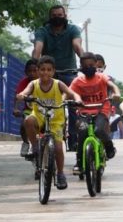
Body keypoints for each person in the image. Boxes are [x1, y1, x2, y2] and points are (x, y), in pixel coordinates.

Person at [16, 55, 83, 189]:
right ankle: (35, 147)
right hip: (39, 117)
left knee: (58, 147)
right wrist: (22, 95)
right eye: (42, 69)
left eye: (48, 70)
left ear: (53, 71)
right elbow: (25, 91)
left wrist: (78, 99)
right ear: (38, 70)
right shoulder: (33, 84)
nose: (45, 72)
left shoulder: (58, 84)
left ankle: (60, 174)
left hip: (55, 121)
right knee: (28, 121)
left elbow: (72, 93)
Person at [32, 5, 84, 150]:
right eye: (54, 15)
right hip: (49, 74)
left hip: (69, 73)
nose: (57, 17)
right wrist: (34, 64)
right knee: (41, 101)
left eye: (60, 14)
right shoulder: (43, 31)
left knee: (73, 103)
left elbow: (77, 45)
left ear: (65, 16)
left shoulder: (73, 29)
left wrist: (85, 61)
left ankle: (73, 137)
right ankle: (42, 131)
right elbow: (38, 48)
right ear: (50, 17)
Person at [70, 52, 119, 176]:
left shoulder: (101, 77)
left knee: (99, 130)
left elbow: (112, 86)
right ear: (81, 66)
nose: (88, 67)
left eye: (91, 65)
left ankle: (109, 147)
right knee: (82, 133)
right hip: (84, 112)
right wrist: (64, 99)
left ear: (96, 64)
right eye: (85, 66)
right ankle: (79, 163)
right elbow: (68, 92)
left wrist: (116, 93)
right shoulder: (78, 81)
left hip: (101, 110)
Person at [13, 58, 39, 158]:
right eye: (29, 71)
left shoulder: (44, 81)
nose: (32, 74)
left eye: (35, 71)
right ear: (26, 72)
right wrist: (15, 108)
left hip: (43, 109)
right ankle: (26, 143)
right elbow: (17, 95)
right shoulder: (24, 83)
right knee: (24, 123)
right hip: (29, 110)